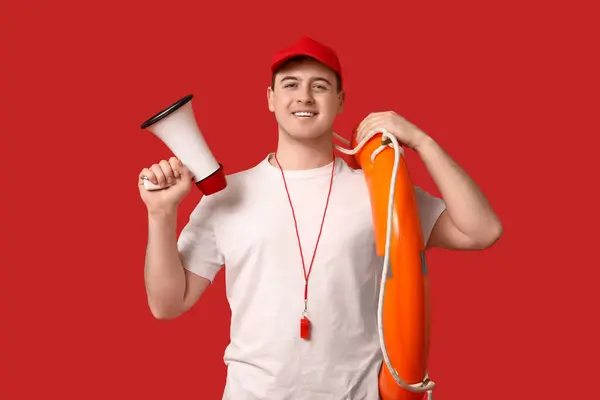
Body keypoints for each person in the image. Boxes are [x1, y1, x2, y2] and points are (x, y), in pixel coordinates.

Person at [138, 37, 503, 400]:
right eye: (291, 84)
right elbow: (167, 305)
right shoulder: (225, 196)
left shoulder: (382, 191)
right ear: (270, 98)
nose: (305, 97)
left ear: (340, 100)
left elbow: (483, 231)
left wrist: (422, 141)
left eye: (320, 86)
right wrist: (160, 214)